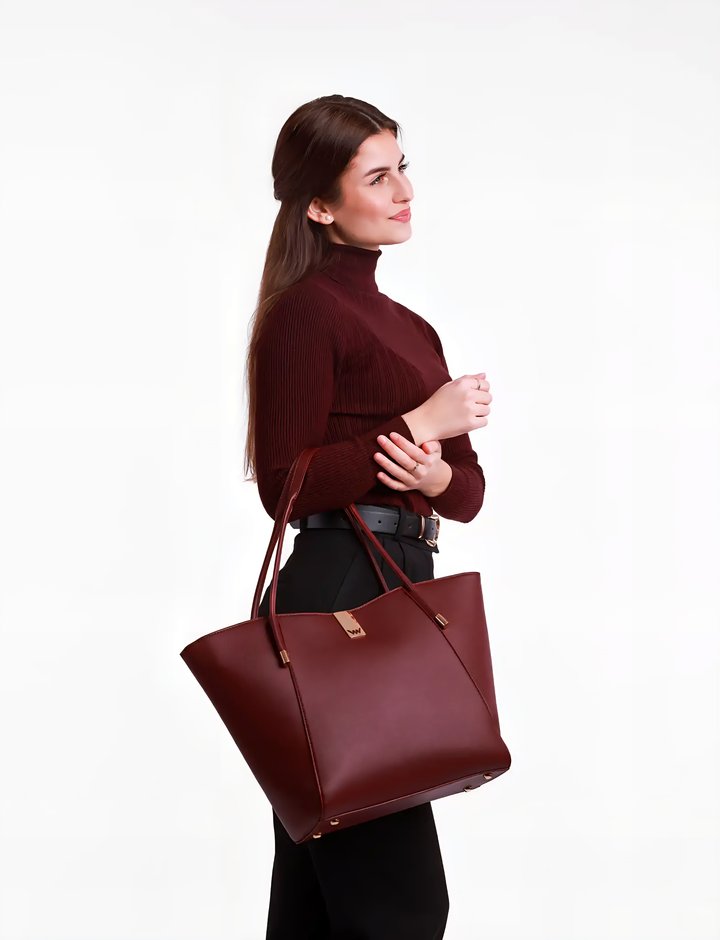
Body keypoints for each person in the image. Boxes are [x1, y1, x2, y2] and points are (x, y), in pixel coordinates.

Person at [243, 94, 492, 940]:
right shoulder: (303, 312)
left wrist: (433, 470)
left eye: (402, 169)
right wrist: (419, 424)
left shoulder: (413, 329)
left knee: (319, 902)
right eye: (377, 177)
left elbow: (467, 493)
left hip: (400, 589)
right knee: (400, 904)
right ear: (320, 204)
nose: (404, 192)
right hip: (338, 597)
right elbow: (285, 485)